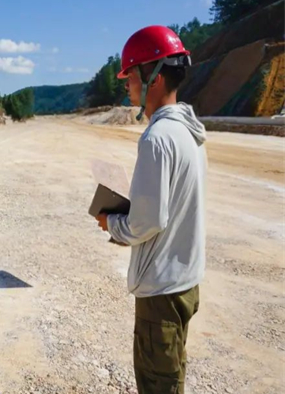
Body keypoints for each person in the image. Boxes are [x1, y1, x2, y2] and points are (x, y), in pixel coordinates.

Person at [94, 25, 207, 394]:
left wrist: (111, 221)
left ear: (153, 78)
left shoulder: (158, 139)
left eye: (130, 77)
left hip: (161, 291)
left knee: (159, 384)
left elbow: (148, 221)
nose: (127, 86)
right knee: (171, 376)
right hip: (184, 281)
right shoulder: (190, 133)